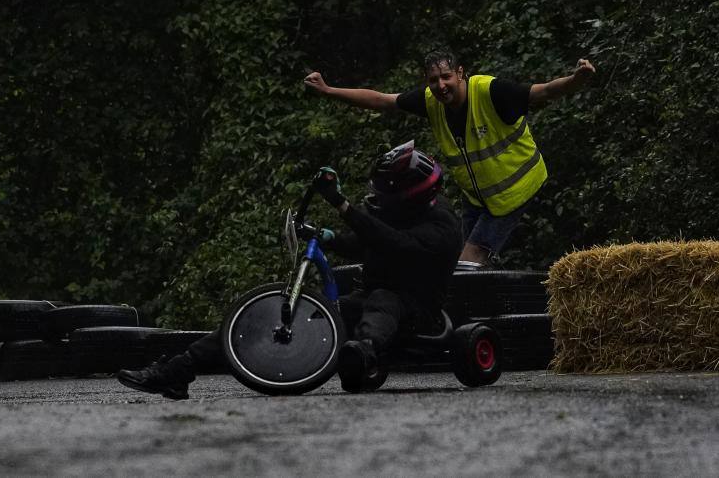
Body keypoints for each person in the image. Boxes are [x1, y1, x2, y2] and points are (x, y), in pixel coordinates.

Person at [117, 141, 462, 398]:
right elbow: (367, 240)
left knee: (384, 299)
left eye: (384, 193)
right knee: (296, 315)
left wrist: (341, 205)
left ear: (409, 195)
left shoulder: (442, 227)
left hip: (417, 311)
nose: (376, 198)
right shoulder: (395, 213)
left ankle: (364, 350)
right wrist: (326, 237)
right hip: (369, 301)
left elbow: (392, 244)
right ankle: (179, 369)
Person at [304, 50, 595, 267]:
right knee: (460, 258)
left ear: (460, 73)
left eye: (446, 77)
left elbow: (542, 91)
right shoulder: (431, 101)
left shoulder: (491, 91)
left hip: (515, 191)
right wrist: (329, 91)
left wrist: (576, 79)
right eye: (434, 80)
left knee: (470, 260)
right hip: (478, 197)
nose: (441, 85)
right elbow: (382, 100)